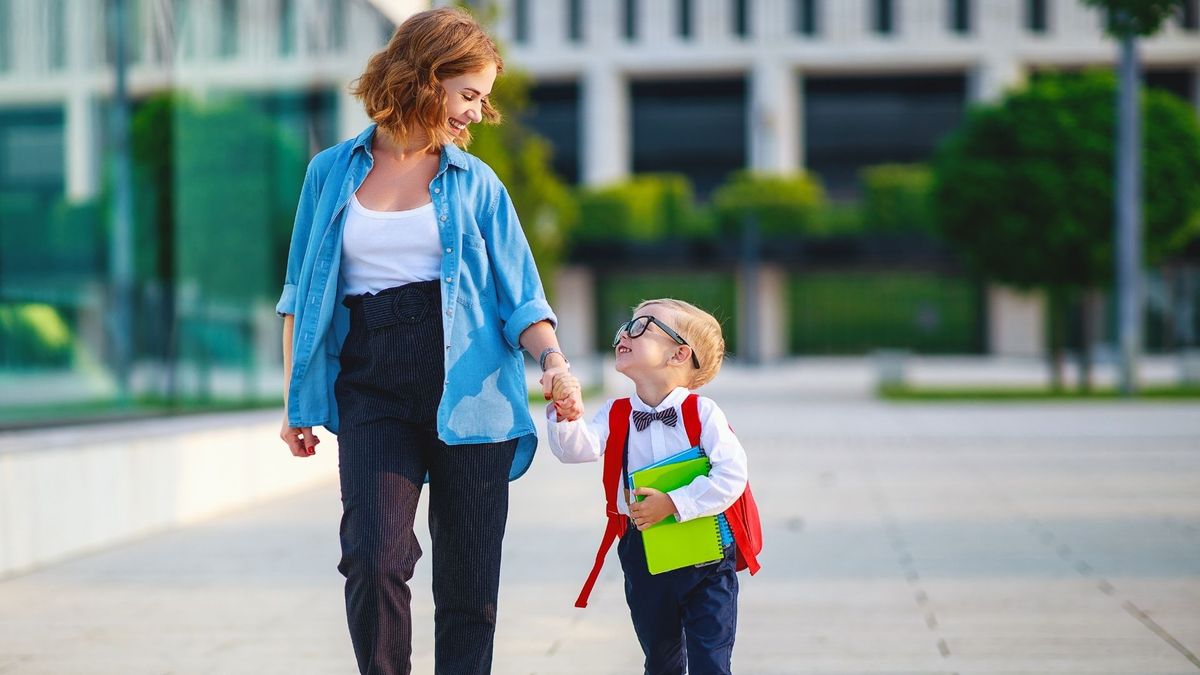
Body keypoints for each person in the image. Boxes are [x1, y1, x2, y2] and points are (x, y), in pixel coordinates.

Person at [275, 8, 581, 674]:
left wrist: (553, 363)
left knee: (470, 588)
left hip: (472, 392)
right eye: (469, 93)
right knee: (373, 556)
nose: (477, 113)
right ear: (426, 76)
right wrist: (295, 400)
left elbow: (522, 296)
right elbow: (299, 294)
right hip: (372, 383)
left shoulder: (479, 186)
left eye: (484, 98)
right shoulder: (330, 172)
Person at [546, 299, 762, 675]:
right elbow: (577, 449)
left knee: (711, 660)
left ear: (679, 354)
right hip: (643, 553)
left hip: (704, 555)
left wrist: (674, 503)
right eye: (625, 326)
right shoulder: (616, 413)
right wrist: (566, 415)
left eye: (642, 325)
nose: (624, 334)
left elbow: (732, 475)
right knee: (660, 660)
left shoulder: (703, 412)